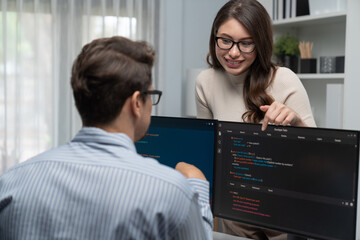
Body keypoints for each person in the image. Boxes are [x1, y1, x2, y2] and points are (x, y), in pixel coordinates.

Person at [0, 36, 213, 239]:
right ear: (137, 102)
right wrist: (198, 190)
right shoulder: (171, 191)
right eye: (151, 95)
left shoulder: (11, 183)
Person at [195, 0, 316, 239]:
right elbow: (209, 154)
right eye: (226, 40)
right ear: (214, 37)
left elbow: (316, 164)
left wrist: (296, 123)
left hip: (282, 213)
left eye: (246, 43)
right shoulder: (205, 82)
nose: (233, 52)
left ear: (260, 44)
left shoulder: (285, 79)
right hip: (233, 211)